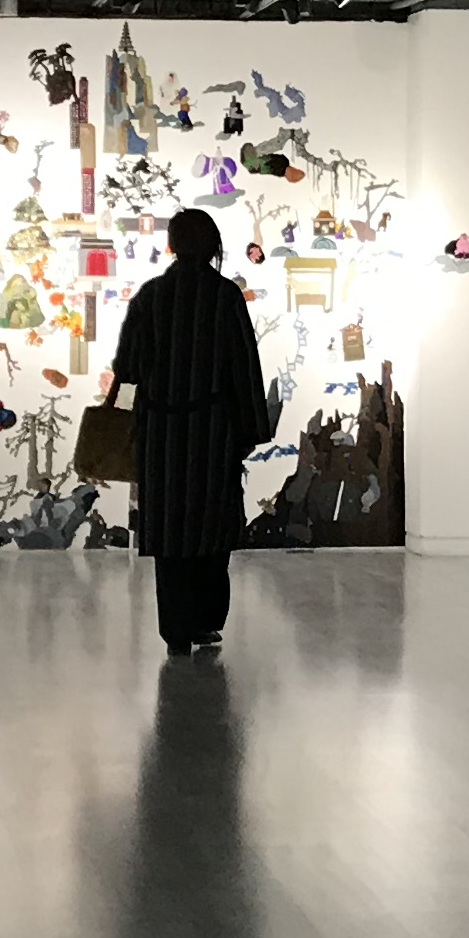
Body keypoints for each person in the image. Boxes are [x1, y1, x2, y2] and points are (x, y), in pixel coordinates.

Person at [109, 204, 268, 655]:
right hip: (212, 429)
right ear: (214, 245)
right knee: (212, 527)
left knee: (170, 533)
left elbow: (128, 368)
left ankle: (176, 630)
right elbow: (244, 368)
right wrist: (249, 431)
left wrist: (124, 417)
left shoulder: (151, 296)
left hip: (160, 432)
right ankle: (205, 620)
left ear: (173, 245)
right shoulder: (225, 297)